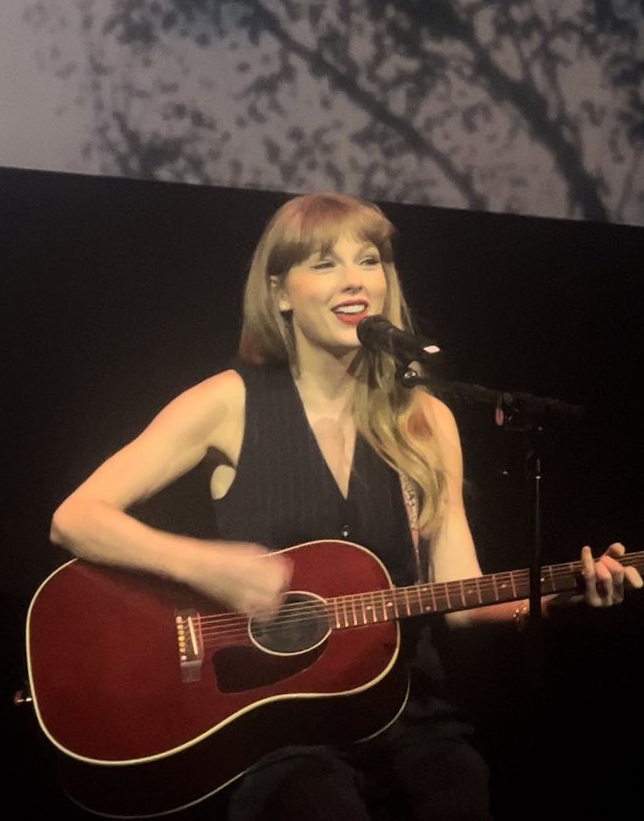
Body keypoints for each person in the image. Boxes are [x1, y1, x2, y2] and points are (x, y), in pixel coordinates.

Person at [49, 192, 642, 820]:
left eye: (369, 260)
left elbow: (461, 596)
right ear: (280, 291)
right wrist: (203, 565)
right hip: (280, 734)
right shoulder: (227, 404)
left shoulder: (426, 419)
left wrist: (559, 597)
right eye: (325, 264)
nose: (355, 280)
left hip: (411, 720)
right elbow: (76, 517)